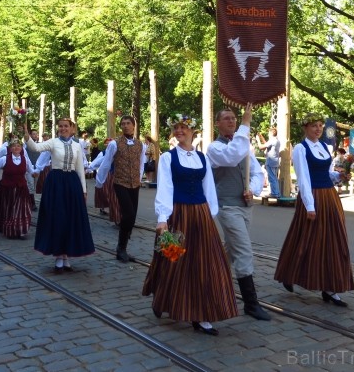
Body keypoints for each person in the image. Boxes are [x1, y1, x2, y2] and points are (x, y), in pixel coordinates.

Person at [142, 114, 238, 336]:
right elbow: (165, 187)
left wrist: (209, 217)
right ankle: (162, 298)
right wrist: (162, 218)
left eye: (183, 127)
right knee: (173, 260)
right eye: (176, 128)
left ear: (192, 131)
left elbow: (209, 189)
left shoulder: (202, 158)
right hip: (178, 214)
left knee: (205, 263)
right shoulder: (168, 158)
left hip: (201, 215)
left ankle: (202, 315)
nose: (179, 131)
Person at [274, 112, 354, 307]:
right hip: (313, 196)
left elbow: (325, 173)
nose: (318, 129)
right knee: (305, 238)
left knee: (333, 240)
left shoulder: (325, 147)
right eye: (313, 126)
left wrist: (339, 176)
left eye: (320, 125)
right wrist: (309, 205)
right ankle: (289, 273)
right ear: (305, 128)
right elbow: (303, 178)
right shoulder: (301, 149)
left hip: (330, 196)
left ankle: (331, 287)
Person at [207, 104, 270, 321]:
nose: (232, 121)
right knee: (243, 251)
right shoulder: (214, 148)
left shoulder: (243, 146)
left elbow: (257, 173)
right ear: (217, 123)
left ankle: (208, 279)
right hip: (227, 206)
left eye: (234, 118)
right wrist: (246, 123)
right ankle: (251, 304)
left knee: (231, 251)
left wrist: (251, 189)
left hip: (245, 206)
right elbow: (232, 157)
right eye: (226, 118)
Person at [23, 118, 94, 273]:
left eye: (66, 126)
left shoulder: (77, 145)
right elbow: (35, 147)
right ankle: (58, 256)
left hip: (72, 183)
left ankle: (66, 255)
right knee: (58, 218)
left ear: (72, 128)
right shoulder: (53, 142)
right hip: (56, 183)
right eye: (60, 126)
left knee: (70, 219)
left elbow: (80, 169)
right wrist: (26, 134)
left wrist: (83, 189)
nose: (63, 128)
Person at [95, 115, 146, 263]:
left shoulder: (140, 145)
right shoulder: (114, 144)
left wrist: (139, 177)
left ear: (133, 125)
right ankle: (121, 248)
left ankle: (124, 243)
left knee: (132, 217)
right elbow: (106, 163)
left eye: (128, 123)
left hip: (135, 184)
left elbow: (141, 163)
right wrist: (99, 182)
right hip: (120, 182)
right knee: (128, 214)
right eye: (123, 124)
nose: (125, 126)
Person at [0, 139, 35, 239]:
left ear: (21, 148)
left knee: (21, 209)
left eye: (18, 146)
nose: (16, 148)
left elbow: (32, 171)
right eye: (13, 146)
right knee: (8, 209)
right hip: (7, 188)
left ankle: (21, 230)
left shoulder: (25, 159)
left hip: (21, 188)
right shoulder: (4, 159)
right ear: (10, 148)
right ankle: (10, 230)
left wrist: (37, 172)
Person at [257, 127, 281, 198]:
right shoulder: (276, 140)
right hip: (275, 161)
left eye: (268, 133)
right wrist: (261, 137)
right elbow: (266, 144)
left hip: (271, 161)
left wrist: (258, 140)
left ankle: (274, 193)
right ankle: (277, 192)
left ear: (271, 133)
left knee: (272, 178)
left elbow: (261, 147)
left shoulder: (272, 140)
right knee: (274, 178)